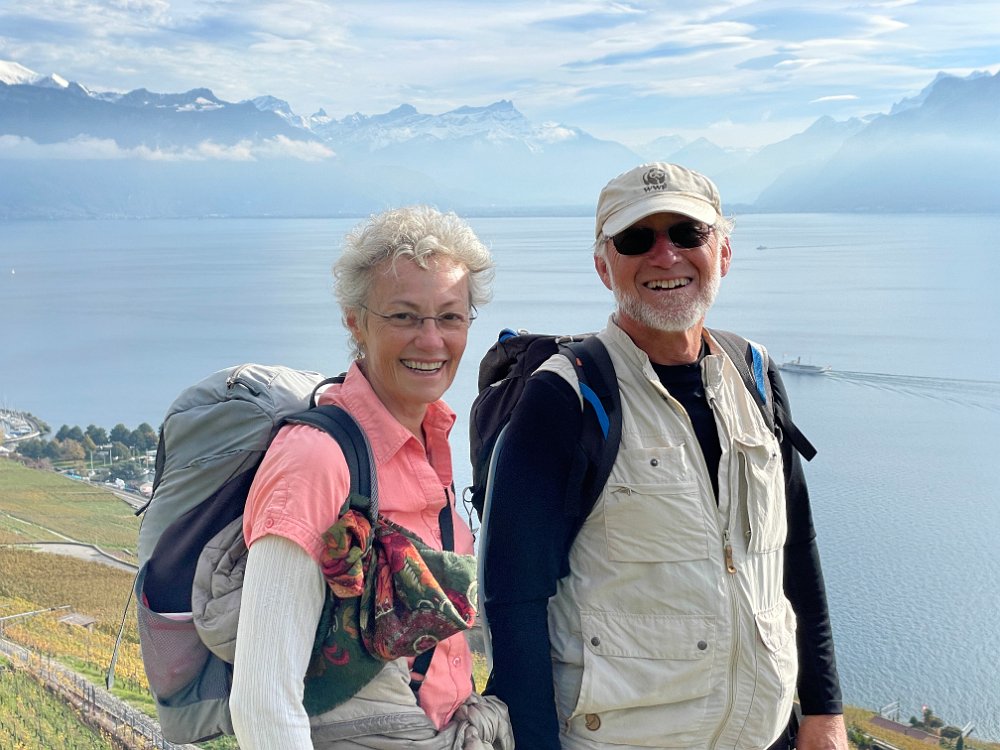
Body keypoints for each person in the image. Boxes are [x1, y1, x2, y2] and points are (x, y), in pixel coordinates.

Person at [481, 163, 848, 750]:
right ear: (604, 267)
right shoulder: (565, 399)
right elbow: (513, 600)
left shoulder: (754, 375)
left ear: (723, 252)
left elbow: (795, 549)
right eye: (635, 239)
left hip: (765, 735)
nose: (665, 254)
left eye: (687, 232)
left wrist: (824, 710)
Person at [230, 206, 512, 749]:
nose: (431, 341)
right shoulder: (316, 460)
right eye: (404, 316)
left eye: (450, 317)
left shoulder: (427, 439)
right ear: (355, 322)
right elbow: (263, 700)